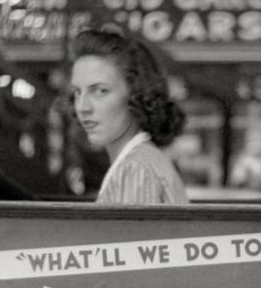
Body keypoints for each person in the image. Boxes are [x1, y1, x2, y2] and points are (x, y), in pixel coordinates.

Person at [68, 28, 188, 204]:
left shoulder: (135, 169)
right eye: (77, 92)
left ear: (137, 95)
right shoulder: (142, 160)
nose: (82, 107)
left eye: (101, 91)